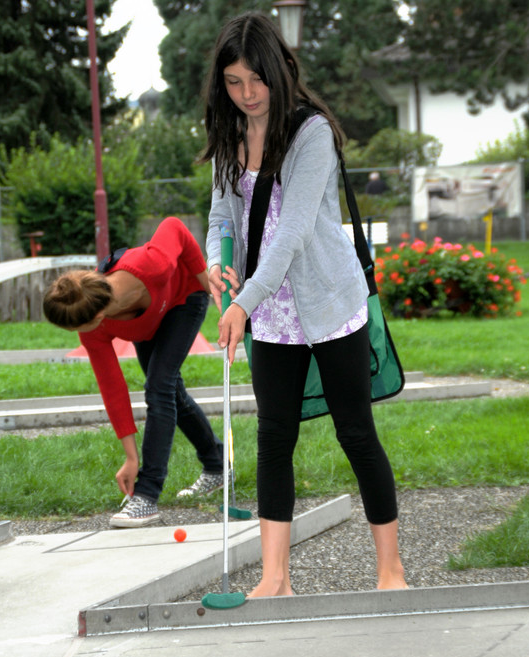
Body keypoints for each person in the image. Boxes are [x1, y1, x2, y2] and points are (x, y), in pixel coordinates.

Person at [201, 11, 407, 596]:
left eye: (256, 80)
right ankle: (276, 578)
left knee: (356, 433)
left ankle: (391, 572)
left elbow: (291, 233)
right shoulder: (229, 135)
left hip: (326, 301)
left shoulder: (310, 132)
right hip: (269, 314)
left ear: (279, 70)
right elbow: (221, 216)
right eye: (234, 82)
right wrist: (216, 264)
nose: (247, 94)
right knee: (274, 438)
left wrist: (243, 303)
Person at [42, 217, 224, 528]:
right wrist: (130, 457)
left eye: (75, 328)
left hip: (184, 296)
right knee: (170, 392)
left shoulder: (150, 265)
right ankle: (217, 466)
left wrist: (209, 285)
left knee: (159, 387)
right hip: (148, 324)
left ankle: (147, 495)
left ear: (99, 315)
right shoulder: (93, 328)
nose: (77, 334)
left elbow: (175, 227)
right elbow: (113, 389)